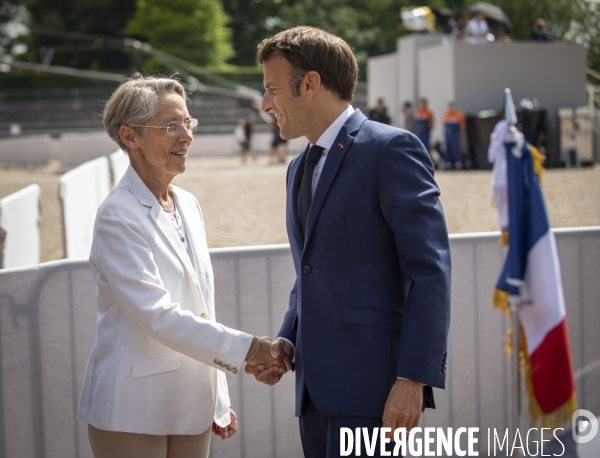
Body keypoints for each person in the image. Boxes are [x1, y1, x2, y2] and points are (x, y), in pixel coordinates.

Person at [247, 26, 451, 457]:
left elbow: (429, 273)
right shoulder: (297, 167)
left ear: (311, 84)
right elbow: (311, 270)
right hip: (313, 396)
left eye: (272, 89)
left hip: (376, 393)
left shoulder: (392, 149)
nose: (265, 104)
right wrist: (287, 340)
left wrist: (413, 379)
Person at [77, 74, 287, 458]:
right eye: (171, 125)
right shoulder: (117, 215)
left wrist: (218, 399)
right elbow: (156, 314)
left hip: (192, 405)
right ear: (130, 136)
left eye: (188, 123)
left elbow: (200, 305)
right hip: (132, 410)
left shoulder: (188, 204)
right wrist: (252, 349)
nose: (186, 135)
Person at [442, 101, 466, 169]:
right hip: (448, 134)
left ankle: (458, 162)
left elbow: (462, 125)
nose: (451, 108)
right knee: (447, 148)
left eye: (452, 107)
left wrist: (460, 132)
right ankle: (448, 162)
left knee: (456, 148)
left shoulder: (458, 115)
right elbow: (444, 124)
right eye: (449, 107)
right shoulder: (445, 115)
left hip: (455, 133)